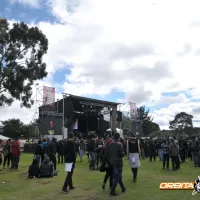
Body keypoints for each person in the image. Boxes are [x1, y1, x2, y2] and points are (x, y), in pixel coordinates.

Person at [108, 132, 126, 197]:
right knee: (117, 176)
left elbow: (108, 154)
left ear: (113, 137)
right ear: (118, 138)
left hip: (112, 162)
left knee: (118, 175)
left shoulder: (110, 145)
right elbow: (122, 154)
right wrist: (123, 153)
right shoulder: (119, 144)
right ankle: (112, 190)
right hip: (118, 162)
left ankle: (123, 188)